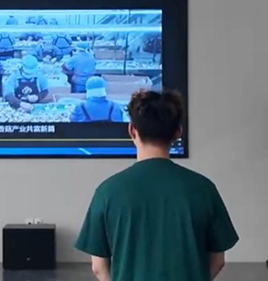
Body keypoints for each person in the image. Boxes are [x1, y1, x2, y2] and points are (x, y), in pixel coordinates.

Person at [75, 90, 238, 281]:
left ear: (132, 130)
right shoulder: (204, 189)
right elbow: (218, 261)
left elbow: (99, 268)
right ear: (178, 132)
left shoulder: (107, 192)